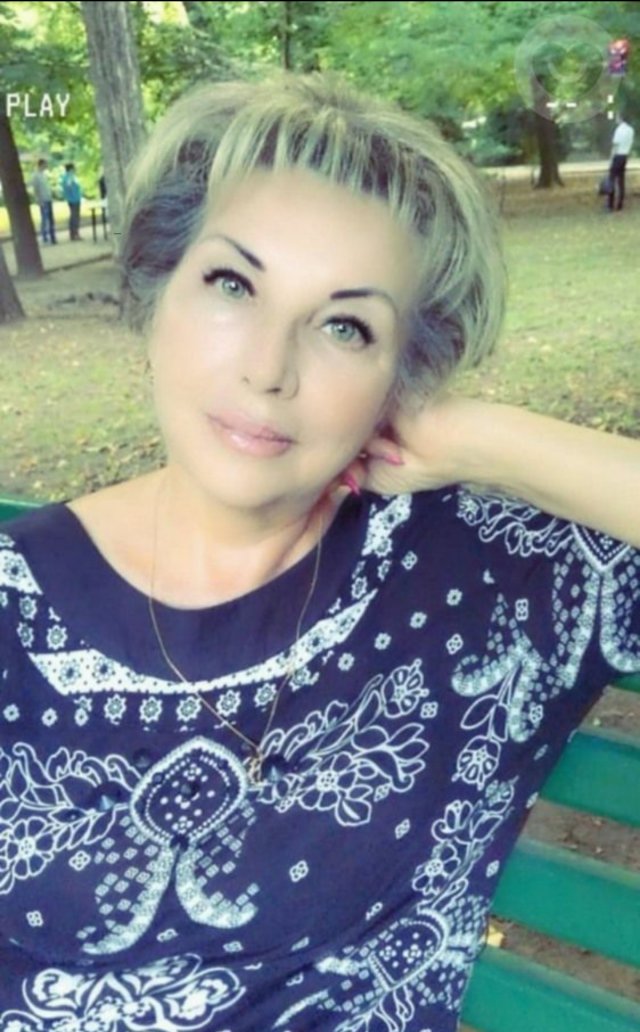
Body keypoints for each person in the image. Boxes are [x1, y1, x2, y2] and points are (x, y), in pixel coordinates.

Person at [0, 74, 638, 1032]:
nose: (269, 369)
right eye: (232, 285)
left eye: (347, 326)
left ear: (405, 371)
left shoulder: (483, 585)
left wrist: (483, 438)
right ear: (156, 294)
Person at [608, 111, 635, 211]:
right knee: (621, 180)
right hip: (625, 156)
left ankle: (610, 203)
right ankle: (620, 203)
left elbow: (616, 144)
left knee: (611, 179)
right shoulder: (630, 130)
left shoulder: (619, 130)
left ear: (620, 118)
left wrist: (611, 157)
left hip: (618, 155)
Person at [30, 157, 56, 244]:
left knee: (50, 219)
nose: (46, 166)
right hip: (43, 200)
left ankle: (52, 236)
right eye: (45, 164)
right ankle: (45, 236)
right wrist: (38, 200)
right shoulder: (35, 176)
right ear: (41, 165)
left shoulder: (44, 175)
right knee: (45, 219)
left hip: (48, 198)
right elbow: (36, 189)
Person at [61, 161, 83, 239]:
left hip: (73, 199)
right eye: (74, 168)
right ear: (71, 169)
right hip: (74, 199)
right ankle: (75, 233)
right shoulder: (70, 176)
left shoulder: (67, 176)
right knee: (75, 217)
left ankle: (73, 233)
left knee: (74, 216)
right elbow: (69, 186)